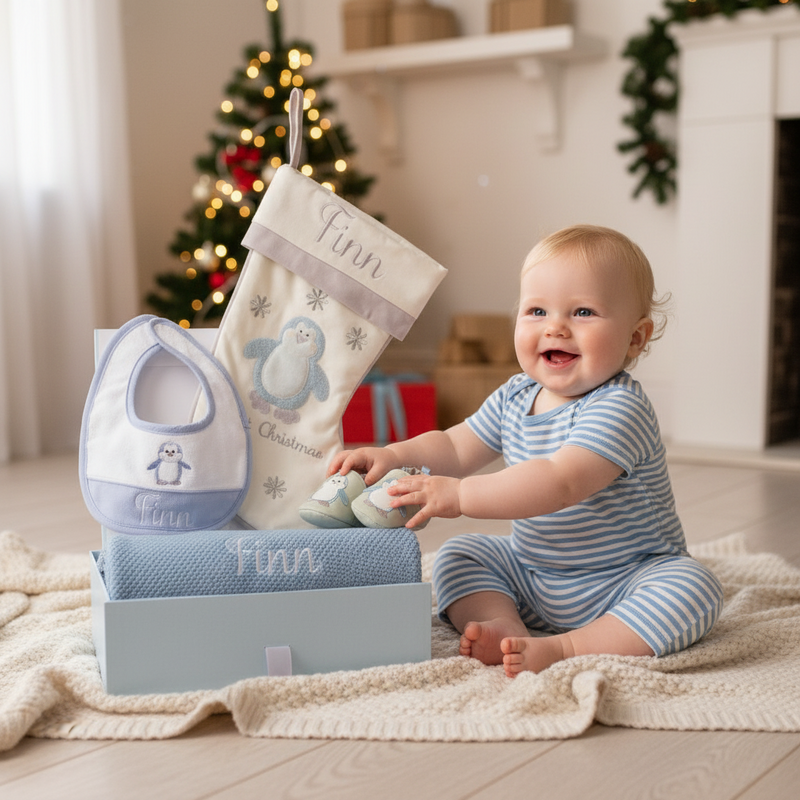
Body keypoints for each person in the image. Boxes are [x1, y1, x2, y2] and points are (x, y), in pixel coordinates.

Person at [327, 224, 723, 677]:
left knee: (693, 588)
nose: (555, 326)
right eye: (537, 310)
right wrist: (395, 456)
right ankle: (503, 624)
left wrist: (459, 497)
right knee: (460, 555)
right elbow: (456, 445)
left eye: (583, 312)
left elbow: (560, 482)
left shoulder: (621, 407)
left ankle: (566, 647)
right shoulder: (515, 395)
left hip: (625, 581)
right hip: (533, 576)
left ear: (635, 338)